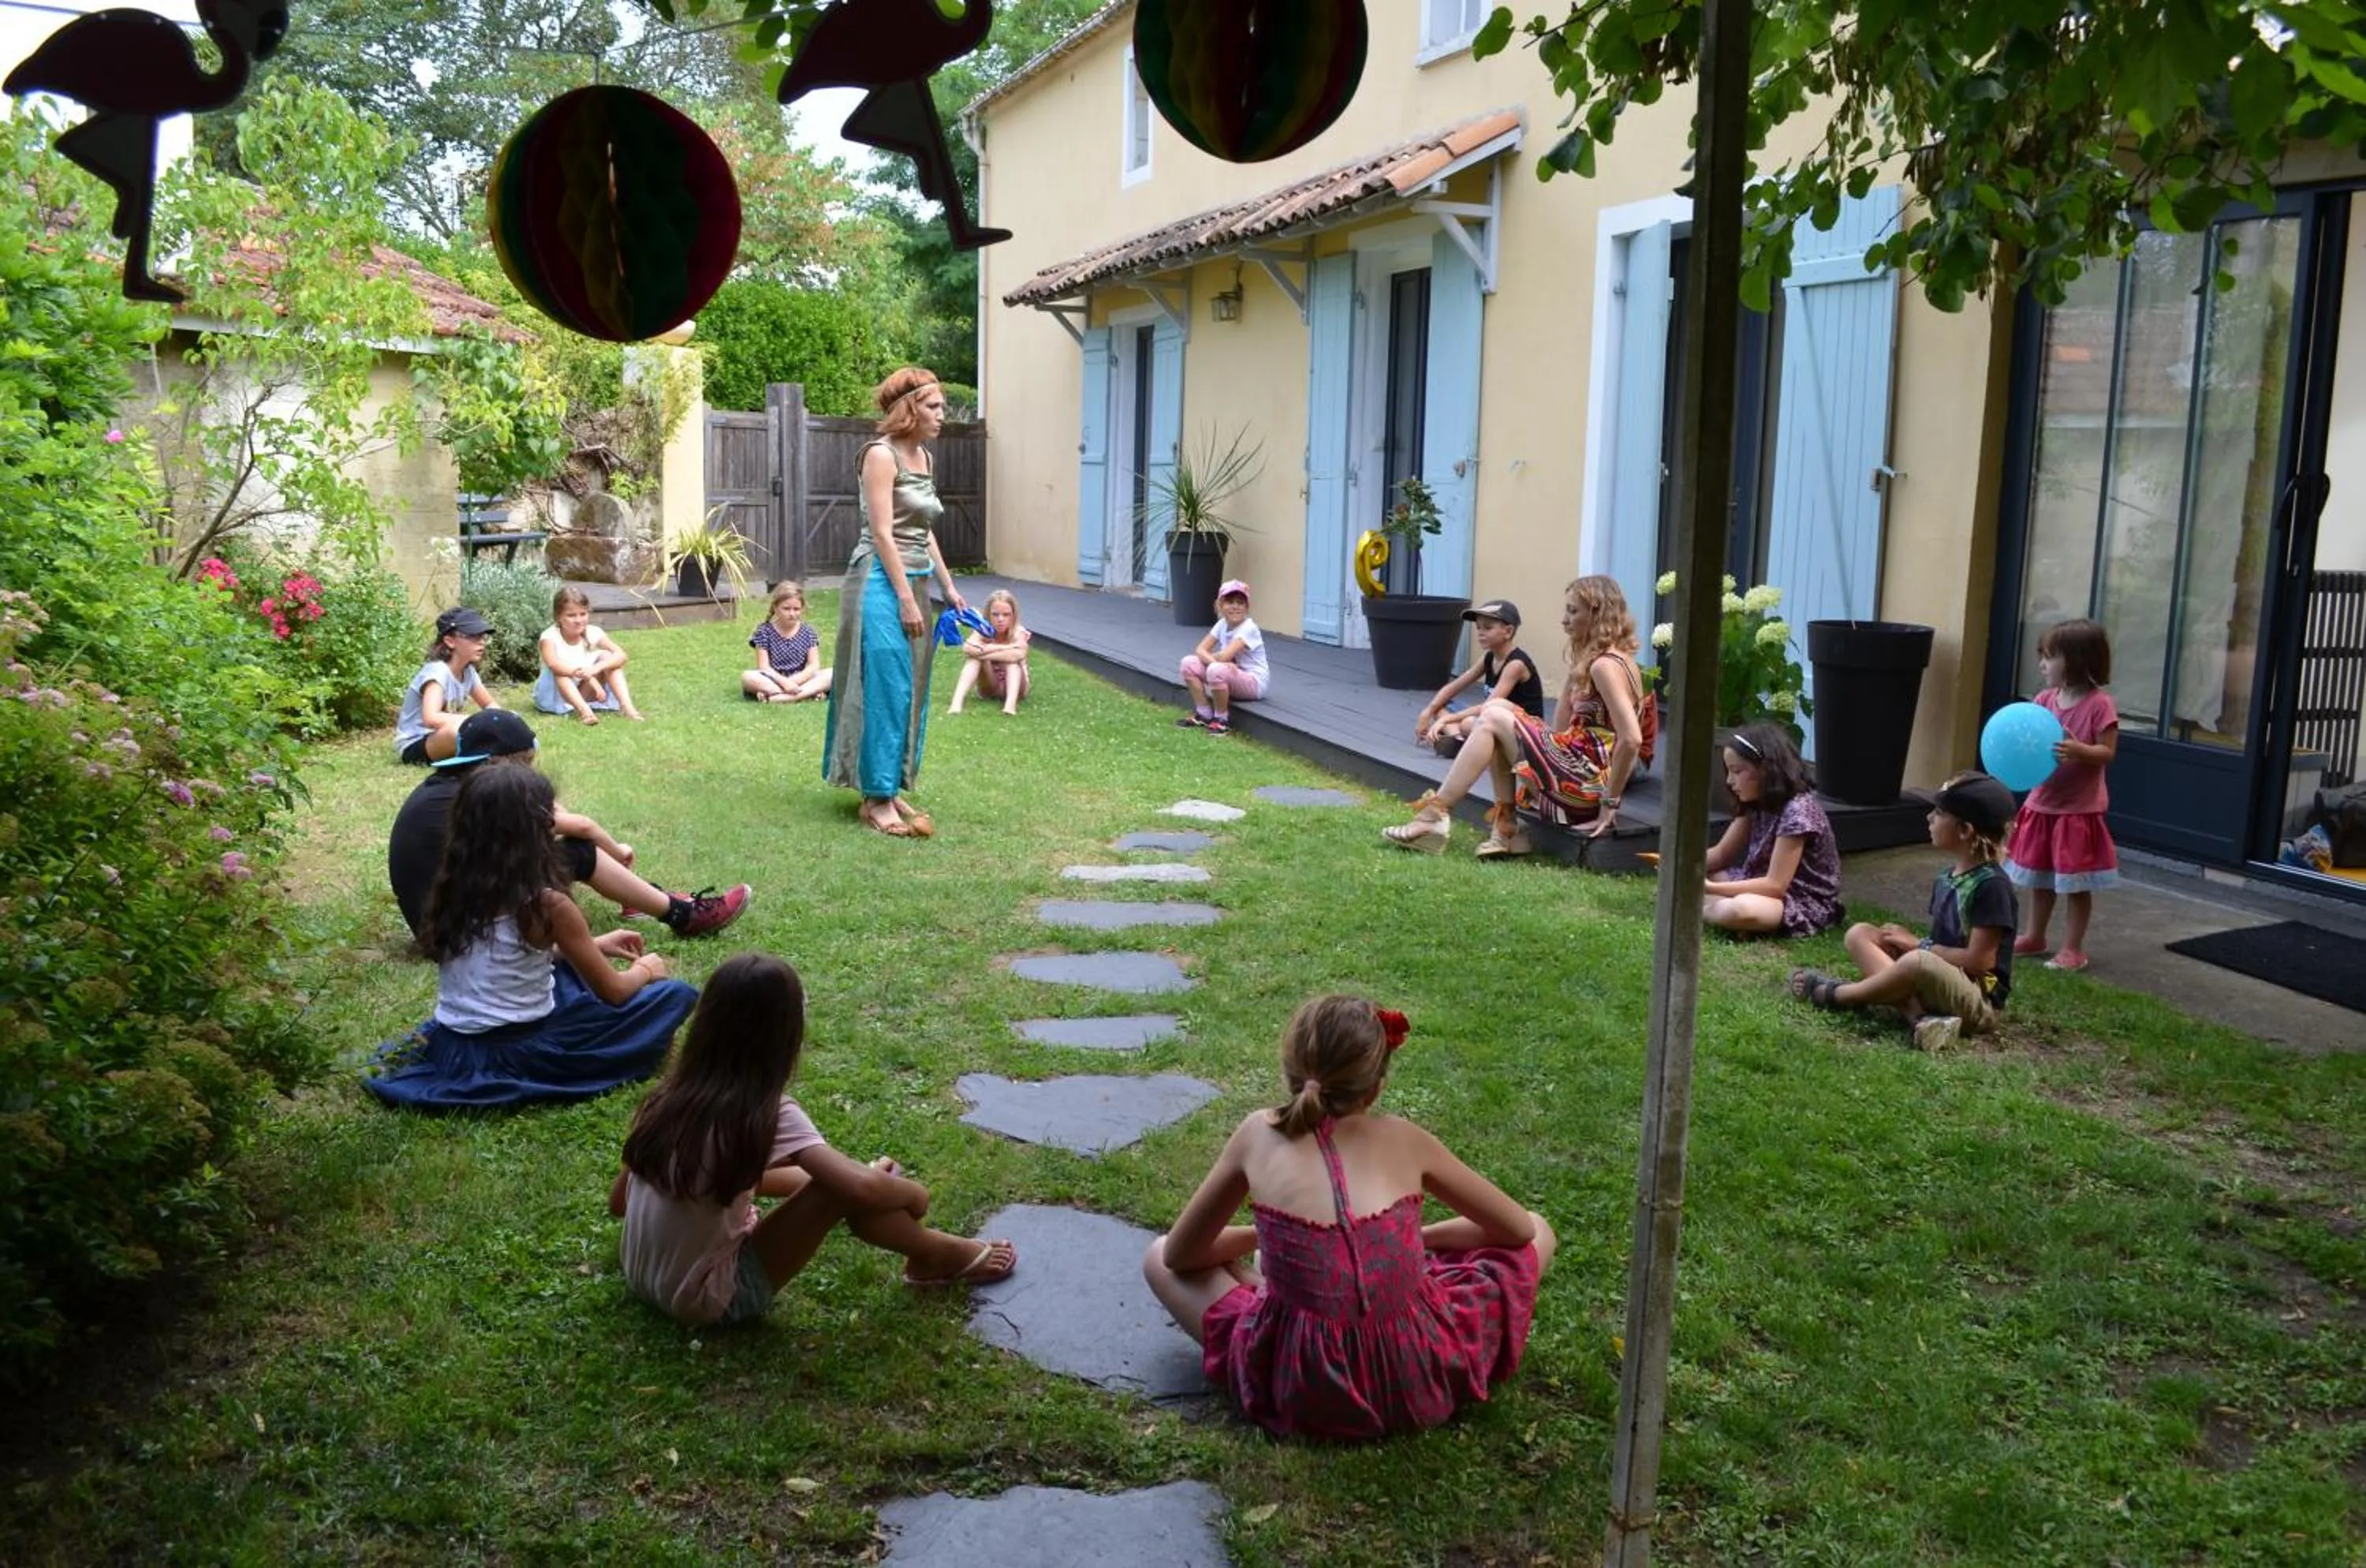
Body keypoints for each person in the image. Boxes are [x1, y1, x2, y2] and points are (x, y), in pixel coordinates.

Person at [1141, 996, 1551, 1441]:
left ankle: (1265, 1281)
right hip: (1418, 1376)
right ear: (1375, 1087)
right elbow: (1518, 1230)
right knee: (1540, 1229)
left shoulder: (1256, 1134)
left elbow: (1180, 1255)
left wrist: (1272, 1237)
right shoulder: (1406, 1139)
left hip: (1300, 1386)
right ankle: (1273, 1278)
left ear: (1290, 1071)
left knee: (1157, 1255)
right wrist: (1416, 1239)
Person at [610, 952, 1019, 1327]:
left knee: (841, 1180)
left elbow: (620, 1202)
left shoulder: (664, 1099)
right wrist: (912, 1194)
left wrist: (859, 1180)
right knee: (842, 1188)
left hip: (643, 1276)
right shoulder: (767, 1112)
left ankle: (922, 1242)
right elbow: (859, 1189)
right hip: (710, 1301)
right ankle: (937, 1253)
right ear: (785, 1038)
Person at [362, 765, 700, 1111]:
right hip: (516, 1051)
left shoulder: (455, 886)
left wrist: (595, 946)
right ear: (534, 830)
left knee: (567, 974)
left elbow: (503, 955)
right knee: (674, 995)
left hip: (453, 1044)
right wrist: (645, 970)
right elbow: (614, 992)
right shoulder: (548, 905)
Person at [386, 710, 749, 943]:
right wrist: (619, 853)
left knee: (554, 848)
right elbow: (581, 827)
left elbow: (548, 816)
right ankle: (683, 914)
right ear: (500, 762)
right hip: (461, 938)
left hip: (439, 924)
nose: (531, 772)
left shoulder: (456, 785)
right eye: (527, 763)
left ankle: (647, 898)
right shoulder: (492, 794)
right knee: (579, 853)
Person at [1384, 575, 1652, 856]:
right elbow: (1561, 731)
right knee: (1496, 715)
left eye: (1573, 611)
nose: (1564, 620)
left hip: (1586, 788)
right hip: (1577, 772)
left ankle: (1436, 818)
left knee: (1492, 716)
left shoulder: (1604, 667)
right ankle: (1505, 829)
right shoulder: (1600, 661)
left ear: (1598, 614)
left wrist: (1609, 804)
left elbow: (1631, 739)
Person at [824, 368, 968, 838]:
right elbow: (884, 534)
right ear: (909, 409)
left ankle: (887, 783)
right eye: (933, 406)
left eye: (941, 406)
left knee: (910, 687)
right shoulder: (879, 456)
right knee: (885, 686)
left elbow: (923, 533)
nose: (942, 414)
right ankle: (876, 800)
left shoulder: (924, 457)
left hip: (915, 582)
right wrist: (905, 598)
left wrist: (948, 588)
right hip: (879, 583)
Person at [1788, 771, 2020, 1053]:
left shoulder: (1992, 887)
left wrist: (1919, 946)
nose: (1929, 818)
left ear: (1964, 830)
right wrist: (1911, 946)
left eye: (1939, 813)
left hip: (1977, 1000)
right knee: (1861, 934)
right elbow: (1941, 945)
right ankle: (1921, 1018)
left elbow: (1978, 962)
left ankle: (1838, 994)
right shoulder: (1949, 877)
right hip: (1938, 980)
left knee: (1917, 961)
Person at [2003, 618, 2120, 973]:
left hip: (2076, 811)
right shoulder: (2044, 700)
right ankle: (2034, 936)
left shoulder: (2100, 705)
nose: (2042, 664)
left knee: (2075, 884)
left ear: (2078, 660)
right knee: (2040, 879)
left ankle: (2073, 948)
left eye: (2050, 656)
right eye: (2042, 655)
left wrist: (2080, 750)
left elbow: (2107, 752)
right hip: (2042, 805)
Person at [1701, 723, 1843, 935]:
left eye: (1737, 771)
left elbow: (1775, 885)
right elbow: (1722, 854)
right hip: (1759, 884)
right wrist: (1682, 867)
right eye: (1728, 771)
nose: (1730, 781)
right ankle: (1722, 911)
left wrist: (1712, 888)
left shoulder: (1799, 811)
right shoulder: (1755, 802)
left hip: (1800, 899)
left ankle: (1700, 908)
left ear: (1766, 769)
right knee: (1713, 873)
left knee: (1740, 909)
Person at [1414, 599, 1543, 757]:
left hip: (1525, 731)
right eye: (1479, 628)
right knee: (1440, 707)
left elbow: (1489, 706)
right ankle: (1459, 741)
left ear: (1508, 632)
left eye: (1488, 628)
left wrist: (1446, 721)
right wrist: (1428, 711)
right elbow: (1455, 686)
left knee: (1468, 723)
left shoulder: (1515, 664)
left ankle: (1463, 740)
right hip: (1494, 719)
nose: (1481, 633)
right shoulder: (1489, 657)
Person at [394, 607, 501, 764]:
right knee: (458, 732)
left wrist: (504, 721)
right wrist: (475, 722)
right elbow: (431, 718)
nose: (481, 642)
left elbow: (490, 704)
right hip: (417, 743)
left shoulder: (468, 672)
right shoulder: (437, 672)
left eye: (483, 636)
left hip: (443, 737)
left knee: (507, 721)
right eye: (473, 636)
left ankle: (491, 753)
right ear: (449, 641)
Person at [534, 587, 642, 725]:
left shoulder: (593, 632)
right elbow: (553, 664)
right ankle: (584, 712)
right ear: (558, 617)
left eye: (583, 614)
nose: (579, 620)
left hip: (582, 690)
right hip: (556, 696)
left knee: (607, 656)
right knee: (560, 672)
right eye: (571, 616)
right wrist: (588, 677)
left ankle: (627, 707)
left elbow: (621, 655)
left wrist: (596, 668)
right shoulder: (549, 637)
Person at [1177, 579, 1267, 736]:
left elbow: (1225, 656)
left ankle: (1221, 720)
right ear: (1220, 605)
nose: (1235, 606)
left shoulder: (1249, 628)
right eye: (1230, 602)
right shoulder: (1222, 624)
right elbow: (1200, 650)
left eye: (1241, 603)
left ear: (1247, 607)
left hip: (1254, 683)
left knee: (1215, 669)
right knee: (1188, 663)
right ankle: (1204, 714)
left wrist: (1216, 661)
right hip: (1230, 674)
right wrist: (1215, 661)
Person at [743, 580, 831, 703]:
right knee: (747, 677)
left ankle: (778, 697)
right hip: (773, 679)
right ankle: (807, 693)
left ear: (802, 609)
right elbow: (764, 667)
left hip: (801, 679)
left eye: (796, 609)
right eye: (786, 609)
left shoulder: (809, 632)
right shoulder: (764, 632)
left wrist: (793, 682)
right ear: (775, 607)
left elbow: (813, 666)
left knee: (832, 674)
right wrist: (784, 683)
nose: (792, 613)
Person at [947, 588, 1030, 715]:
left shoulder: (1019, 632)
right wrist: (1003, 648)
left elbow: (1017, 655)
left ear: (1013, 615)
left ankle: (1010, 706)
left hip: (1017, 688)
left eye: (1006, 615)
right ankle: (956, 703)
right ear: (988, 615)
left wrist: (983, 651)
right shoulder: (983, 630)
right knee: (974, 660)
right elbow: (968, 648)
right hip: (990, 685)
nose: (1000, 619)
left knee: (1012, 663)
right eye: (995, 614)